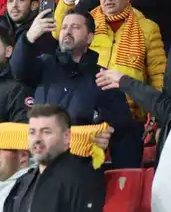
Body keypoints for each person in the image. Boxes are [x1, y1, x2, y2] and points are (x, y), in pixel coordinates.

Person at [13, 9, 141, 167]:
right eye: (64, 27)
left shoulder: (103, 79)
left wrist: (123, 175)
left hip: (79, 167)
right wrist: (28, 39)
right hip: (38, 162)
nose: (67, 31)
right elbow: (18, 70)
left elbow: (123, 133)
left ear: (89, 38)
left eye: (75, 27)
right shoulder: (44, 65)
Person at [0, 105, 104, 212]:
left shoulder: (82, 181)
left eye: (46, 132)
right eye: (32, 132)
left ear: (66, 137)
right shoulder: (24, 182)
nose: (37, 139)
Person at [55, 0, 166, 119]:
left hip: (131, 115)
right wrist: (67, 0)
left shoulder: (148, 28)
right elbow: (58, 32)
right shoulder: (86, 23)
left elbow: (158, 76)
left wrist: (156, 118)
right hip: (87, 112)